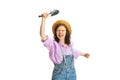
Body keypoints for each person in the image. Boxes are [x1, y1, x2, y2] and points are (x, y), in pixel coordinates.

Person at [40, 12, 90, 80]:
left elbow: (76, 51)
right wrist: (43, 19)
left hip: (72, 74)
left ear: (66, 32)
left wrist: (84, 54)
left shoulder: (70, 46)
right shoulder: (53, 45)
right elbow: (42, 35)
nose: (60, 32)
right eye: (58, 30)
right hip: (59, 75)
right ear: (55, 32)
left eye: (63, 30)